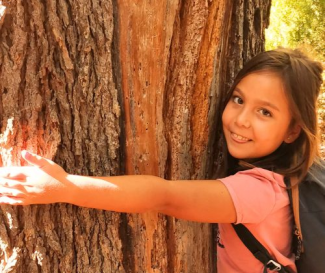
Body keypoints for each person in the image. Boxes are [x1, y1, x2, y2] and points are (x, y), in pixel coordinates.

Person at [0, 48, 323, 273]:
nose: (241, 119)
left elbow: (162, 196)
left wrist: (67, 187)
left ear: (293, 131)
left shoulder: (260, 192)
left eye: (264, 112)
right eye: (238, 99)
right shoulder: (277, 174)